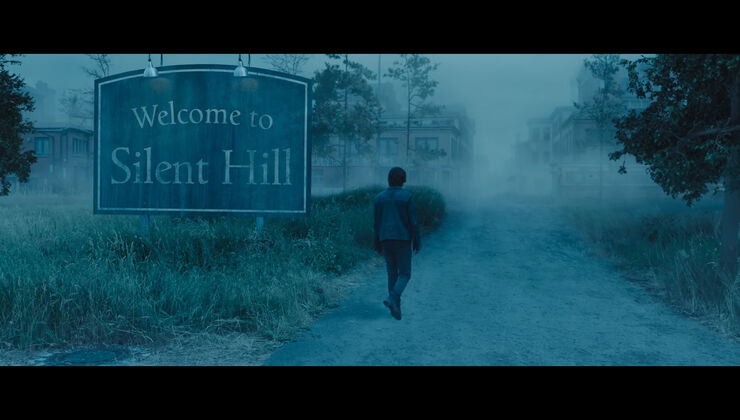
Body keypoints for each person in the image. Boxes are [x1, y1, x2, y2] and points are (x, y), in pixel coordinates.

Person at [374, 167, 421, 320]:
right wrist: (417, 241)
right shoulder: (407, 197)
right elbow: (413, 222)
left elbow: (376, 223)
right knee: (405, 274)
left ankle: (396, 308)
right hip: (402, 239)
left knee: (392, 273)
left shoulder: (379, 198)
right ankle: (393, 298)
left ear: (389, 179)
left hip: (385, 239)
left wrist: (377, 243)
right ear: (403, 180)